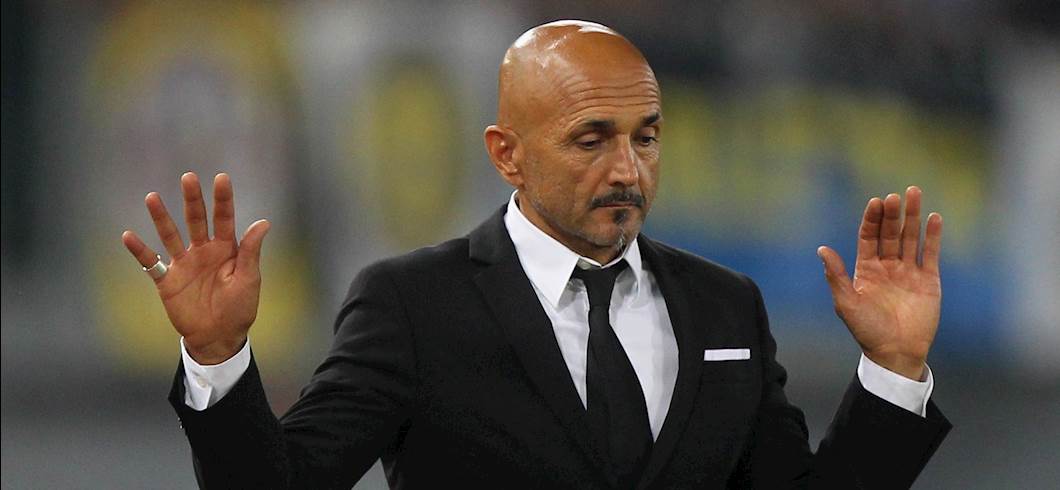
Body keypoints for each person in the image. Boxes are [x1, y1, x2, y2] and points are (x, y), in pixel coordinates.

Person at [122, 20, 950, 489]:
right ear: (507, 154)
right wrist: (218, 358)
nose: (628, 170)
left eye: (646, 137)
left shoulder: (724, 306)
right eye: (592, 139)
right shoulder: (413, 306)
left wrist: (893, 372)